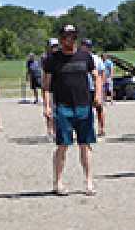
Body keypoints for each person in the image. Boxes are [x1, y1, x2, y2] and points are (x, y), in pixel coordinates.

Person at [42, 24, 102, 195]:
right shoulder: (52, 59)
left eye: (72, 37)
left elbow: (96, 76)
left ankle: (89, 182)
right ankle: (58, 182)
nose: (69, 40)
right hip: (63, 107)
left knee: (85, 145)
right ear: (61, 39)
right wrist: (47, 106)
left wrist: (98, 95)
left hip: (84, 106)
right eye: (66, 37)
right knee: (62, 145)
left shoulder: (85, 56)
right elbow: (46, 86)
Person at [83, 40, 107, 137]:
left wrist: (101, 86)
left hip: (96, 87)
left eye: (87, 46)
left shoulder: (96, 59)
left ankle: (102, 128)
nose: (86, 48)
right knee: (86, 110)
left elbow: (103, 73)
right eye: (84, 46)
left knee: (99, 108)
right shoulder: (80, 58)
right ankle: (89, 129)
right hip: (85, 88)